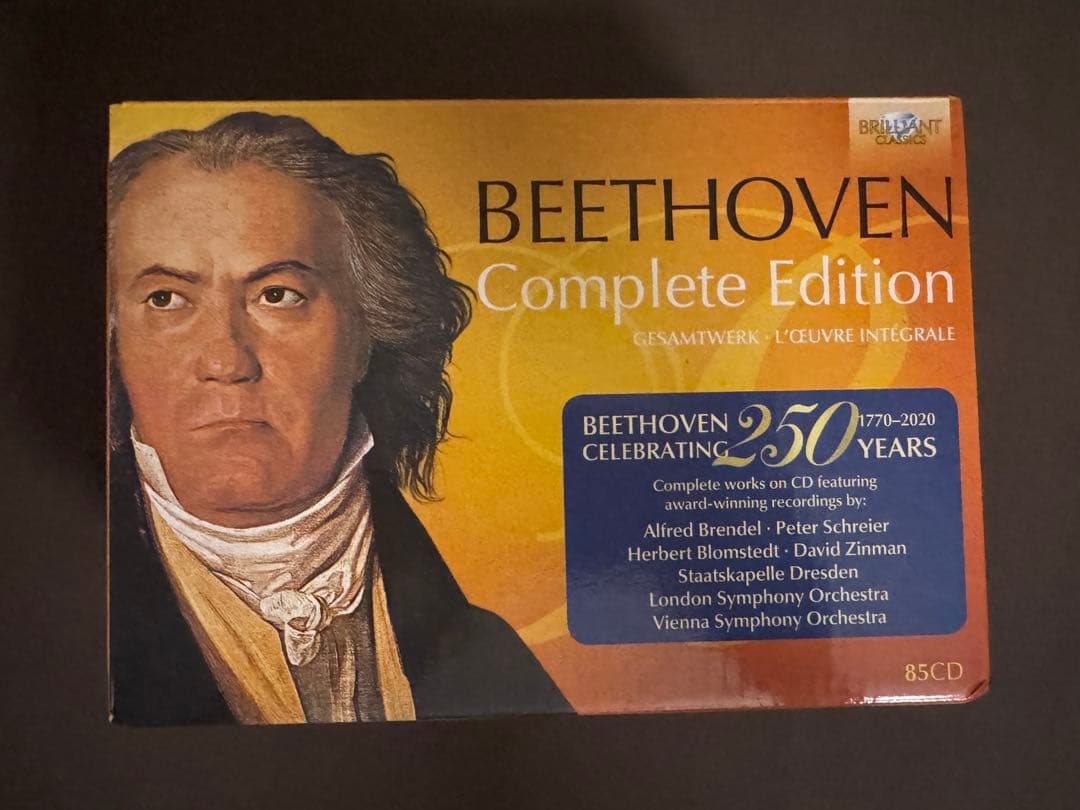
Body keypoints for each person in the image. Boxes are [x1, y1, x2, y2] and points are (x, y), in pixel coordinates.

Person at [107, 111, 570, 724]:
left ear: (366, 333)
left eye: (277, 295)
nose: (226, 361)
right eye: (166, 299)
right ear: (113, 339)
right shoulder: (57, 638)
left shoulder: (490, 663)